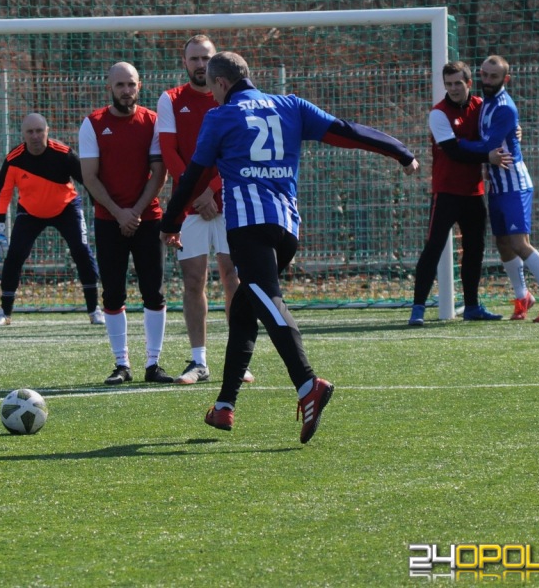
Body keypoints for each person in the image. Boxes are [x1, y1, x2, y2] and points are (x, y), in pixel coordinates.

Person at [161, 52, 419, 443]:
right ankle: (225, 405)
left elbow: (193, 176)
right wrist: (399, 150)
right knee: (245, 310)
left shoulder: (220, 116)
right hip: (287, 230)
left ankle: (307, 383)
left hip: (249, 227)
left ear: (221, 83)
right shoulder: (291, 105)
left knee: (269, 302)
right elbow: (345, 131)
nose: (212, 95)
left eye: (213, 88)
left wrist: (170, 222)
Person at [156, 35, 252, 385]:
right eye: (194, 58)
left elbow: (239, 152)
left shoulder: (232, 98)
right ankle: (199, 361)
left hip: (230, 202)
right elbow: (169, 153)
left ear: (216, 62)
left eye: (206, 58)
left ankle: (238, 359)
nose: (200, 65)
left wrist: (213, 190)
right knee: (193, 279)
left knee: (233, 277)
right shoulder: (170, 99)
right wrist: (197, 195)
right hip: (191, 207)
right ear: (184, 62)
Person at [78, 62, 173, 385]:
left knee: (153, 292)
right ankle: (121, 364)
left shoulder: (153, 121)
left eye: (131, 84)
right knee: (113, 294)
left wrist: (135, 211)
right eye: (120, 85)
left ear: (139, 86)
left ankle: (153, 364)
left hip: (148, 219)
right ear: (110, 87)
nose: (126, 90)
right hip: (109, 221)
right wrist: (120, 213)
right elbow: (90, 177)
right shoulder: (93, 124)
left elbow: (159, 173)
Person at [456, 55, 539, 322]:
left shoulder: (504, 107)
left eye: (494, 76)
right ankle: (523, 296)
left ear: (505, 79)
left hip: (514, 184)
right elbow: (491, 140)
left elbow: (488, 146)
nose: (487, 80)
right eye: (484, 74)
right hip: (497, 184)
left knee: (519, 243)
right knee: (503, 243)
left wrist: (455, 143)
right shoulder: (485, 102)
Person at [408, 61, 513, 326]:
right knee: (434, 247)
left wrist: (514, 131)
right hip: (446, 192)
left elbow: (498, 130)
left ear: (469, 83)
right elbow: (454, 152)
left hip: (474, 192)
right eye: (449, 84)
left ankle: (472, 306)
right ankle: (418, 308)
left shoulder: (481, 106)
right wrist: (487, 157)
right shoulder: (438, 113)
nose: (453, 88)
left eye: (458, 83)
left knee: (475, 249)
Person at [0, 112, 104, 326]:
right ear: (23, 134)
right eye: (30, 131)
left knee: (81, 251)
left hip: (66, 208)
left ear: (47, 131)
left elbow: (89, 181)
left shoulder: (63, 153)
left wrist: (100, 213)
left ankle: (94, 309)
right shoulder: (14, 159)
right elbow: (2, 193)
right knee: (14, 256)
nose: (35, 136)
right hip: (30, 212)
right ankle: (5, 312)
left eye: (39, 131)